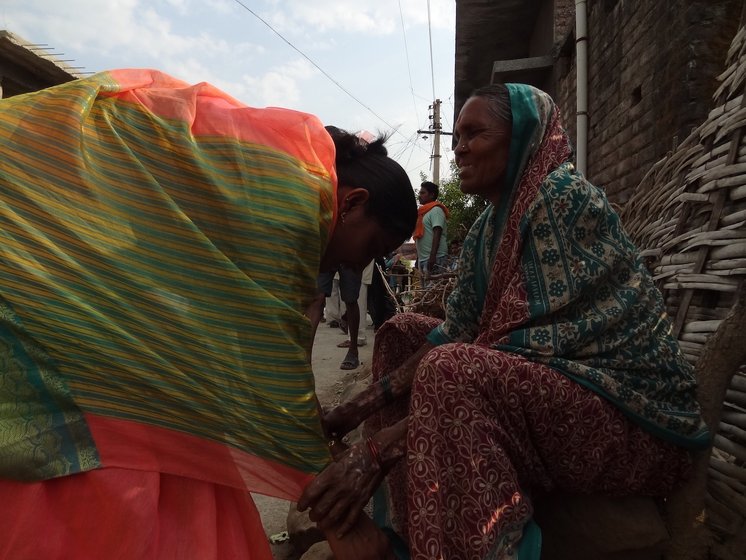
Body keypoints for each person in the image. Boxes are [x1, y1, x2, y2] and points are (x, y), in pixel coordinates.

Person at [0, 69, 417, 559]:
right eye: (374, 246)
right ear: (353, 204)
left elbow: (242, 355)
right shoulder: (296, 195)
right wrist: (345, 519)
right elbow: (271, 362)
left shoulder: (288, 163)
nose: (359, 263)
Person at [298, 83, 710, 560]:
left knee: (451, 371)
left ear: (523, 139)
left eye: (475, 133)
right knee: (399, 332)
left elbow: (498, 353)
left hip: (628, 417)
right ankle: (412, 536)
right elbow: (456, 332)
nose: (459, 148)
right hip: (550, 397)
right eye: (456, 137)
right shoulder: (486, 229)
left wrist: (374, 452)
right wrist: (351, 412)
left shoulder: (564, 198)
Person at [317, 264, 365, 369]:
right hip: (328, 253)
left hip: (350, 255)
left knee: (350, 299)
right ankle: (305, 355)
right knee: (318, 297)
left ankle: (353, 350)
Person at [413, 180, 449, 285]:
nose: (419, 195)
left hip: (435, 259)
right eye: (420, 193)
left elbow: (437, 233)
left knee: (434, 295)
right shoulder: (423, 213)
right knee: (426, 295)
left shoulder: (436, 210)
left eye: (423, 193)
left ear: (432, 195)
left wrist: (432, 257)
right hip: (424, 259)